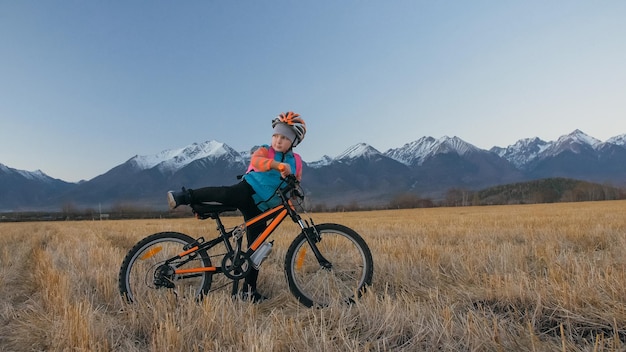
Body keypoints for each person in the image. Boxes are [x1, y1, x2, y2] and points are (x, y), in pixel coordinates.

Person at [167, 111, 306, 303]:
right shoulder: (265, 150)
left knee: (256, 251)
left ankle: (248, 292)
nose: (278, 140)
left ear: (294, 141)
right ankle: (184, 196)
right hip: (248, 190)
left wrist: (295, 190)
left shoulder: (297, 162)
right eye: (275, 135)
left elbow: (296, 181)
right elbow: (256, 162)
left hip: (262, 207)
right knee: (225, 194)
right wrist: (276, 166)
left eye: (284, 137)